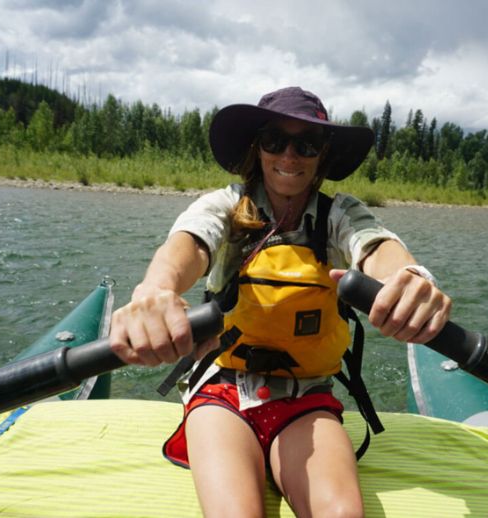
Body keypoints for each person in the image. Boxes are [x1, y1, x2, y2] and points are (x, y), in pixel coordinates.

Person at [110, 86, 451, 517]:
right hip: (223, 388)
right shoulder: (226, 205)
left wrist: (411, 277)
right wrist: (157, 289)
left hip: (305, 397)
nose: (290, 156)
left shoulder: (340, 214)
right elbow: (191, 243)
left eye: (306, 145)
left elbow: (375, 244)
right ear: (258, 147)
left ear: (321, 156)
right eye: (275, 141)